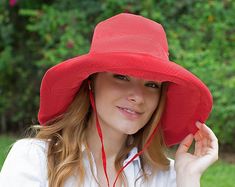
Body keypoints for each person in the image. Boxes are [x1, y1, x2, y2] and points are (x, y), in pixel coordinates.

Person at [0, 13, 218, 187]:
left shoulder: (168, 176)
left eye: (152, 85)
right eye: (121, 77)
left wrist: (188, 179)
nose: (138, 96)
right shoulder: (35, 159)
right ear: (91, 82)